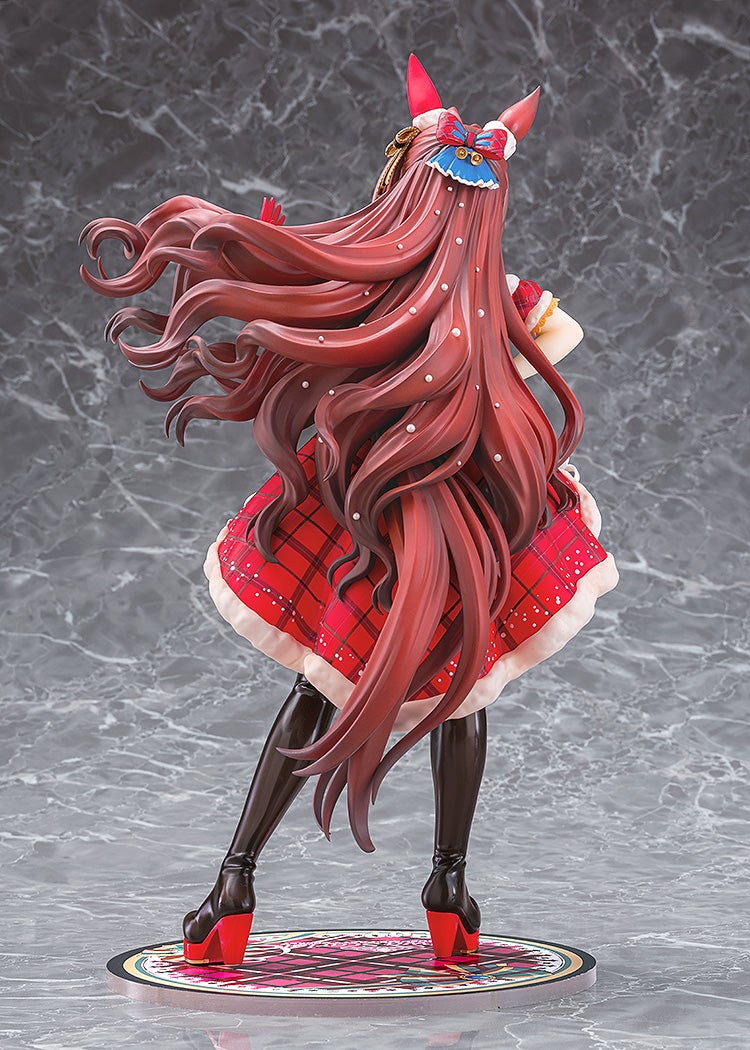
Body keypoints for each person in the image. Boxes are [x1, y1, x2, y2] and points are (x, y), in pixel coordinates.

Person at [80, 55, 619, 964]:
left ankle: (233, 885)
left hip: (370, 522)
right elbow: (550, 348)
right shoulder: (509, 306)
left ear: (405, 188)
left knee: (324, 686)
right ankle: (448, 886)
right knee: (464, 689)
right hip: (468, 521)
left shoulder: (366, 292)